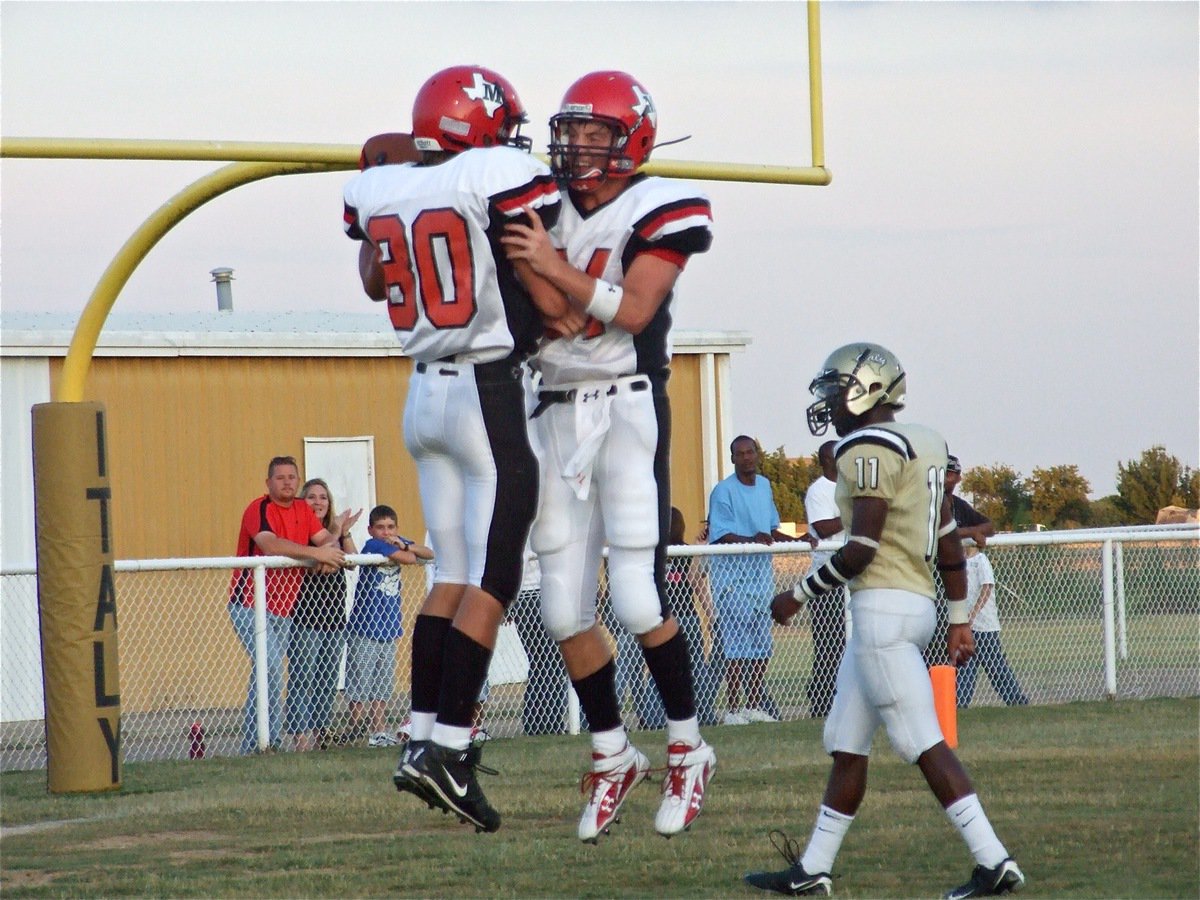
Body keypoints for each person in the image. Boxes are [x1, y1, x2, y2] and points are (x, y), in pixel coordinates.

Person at [343, 65, 570, 832]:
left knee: (450, 572)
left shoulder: (383, 190)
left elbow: (377, 283)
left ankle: (418, 738)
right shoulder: (498, 171)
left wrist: (388, 175)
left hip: (422, 394)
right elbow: (540, 254)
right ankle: (449, 747)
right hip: (488, 389)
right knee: (498, 576)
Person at [500, 69, 717, 841]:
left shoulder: (660, 207)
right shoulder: (537, 203)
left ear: (633, 140)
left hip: (626, 409)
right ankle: (612, 751)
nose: (579, 147)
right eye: (572, 132)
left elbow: (627, 311)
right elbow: (557, 322)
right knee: (559, 606)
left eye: (597, 134)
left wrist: (551, 269)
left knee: (637, 597)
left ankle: (689, 747)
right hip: (552, 411)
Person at [746, 342, 1025, 899]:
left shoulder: (865, 446)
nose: (828, 399)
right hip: (913, 605)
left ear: (864, 388)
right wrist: (956, 617)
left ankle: (993, 861)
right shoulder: (925, 440)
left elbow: (861, 550)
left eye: (834, 387)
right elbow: (947, 536)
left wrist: (796, 595)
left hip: (882, 610)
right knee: (845, 740)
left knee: (921, 741)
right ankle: (813, 868)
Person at [228, 456, 346, 754]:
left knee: (267, 673)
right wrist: (316, 554)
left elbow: (325, 542)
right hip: (249, 604)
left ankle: (259, 745)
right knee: (269, 669)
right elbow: (271, 544)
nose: (287, 482)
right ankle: (263, 744)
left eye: (292, 477)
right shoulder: (259, 508)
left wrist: (330, 551)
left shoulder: (303, 510)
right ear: (268, 483)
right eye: (280, 478)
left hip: (285, 610)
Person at [707, 435, 813, 725]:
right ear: (733, 459)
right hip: (731, 580)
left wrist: (797, 539)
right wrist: (751, 539)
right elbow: (721, 534)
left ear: (757, 454)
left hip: (760, 579)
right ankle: (732, 709)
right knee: (735, 645)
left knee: (761, 643)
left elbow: (770, 529)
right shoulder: (723, 492)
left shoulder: (765, 486)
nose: (746, 458)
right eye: (739, 454)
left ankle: (754, 704)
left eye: (750, 452)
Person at [342, 505, 432, 747]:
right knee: (361, 682)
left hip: (388, 627)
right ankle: (356, 729)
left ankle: (379, 730)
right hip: (365, 627)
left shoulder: (399, 542)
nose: (386, 532)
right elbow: (408, 558)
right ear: (371, 530)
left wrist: (407, 544)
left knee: (382, 684)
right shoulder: (374, 546)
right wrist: (405, 549)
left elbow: (427, 553)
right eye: (380, 528)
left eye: (390, 527)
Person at [288, 478, 361, 751]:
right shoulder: (302, 531)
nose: (318, 502)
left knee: (327, 679)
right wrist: (335, 530)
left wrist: (345, 532)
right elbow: (321, 561)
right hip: (305, 616)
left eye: (323, 498)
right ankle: (301, 737)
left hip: (333, 617)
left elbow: (351, 562)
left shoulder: (335, 531)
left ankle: (321, 732)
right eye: (311, 497)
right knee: (303, 677)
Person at [801, 440, 848, 717]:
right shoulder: (819, 491)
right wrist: (853, 515)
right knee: (829, 645)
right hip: (826, 579)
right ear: (826, 460)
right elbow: (822, 528)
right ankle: (821, 701)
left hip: (851, 578)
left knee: (848, 644)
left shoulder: (850, 487)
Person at [507, 543, 572, 735]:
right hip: (538, 593)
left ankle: (537, 721)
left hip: (524, 596)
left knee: (540, 663)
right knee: (550, 662)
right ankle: (548, 722)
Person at [667, 507, 721, 727]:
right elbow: (695, 581)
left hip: (665, 619)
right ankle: (705, 713)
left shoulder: (657, 553)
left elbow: (695, 580)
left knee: (665, 668)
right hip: (688, 616)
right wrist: (710, 614)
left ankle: (655, 716)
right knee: (697, 667)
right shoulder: (687, 552)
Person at [956, 546, 1028, 708]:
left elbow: (987, 587)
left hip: (984, 626)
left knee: (995, 665)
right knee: (966, 665)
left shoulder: (981, 560)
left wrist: (973, 614)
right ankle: (960, 702)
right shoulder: (962, 562)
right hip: (967, 628)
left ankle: (1016, 699)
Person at [946, 456, 995, 547]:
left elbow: (990, 527)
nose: (942, 479)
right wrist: (971, 533)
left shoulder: (959, 505)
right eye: (939, 474)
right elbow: (937, 533)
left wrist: (972, 532)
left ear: (958, 479)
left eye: (947, 474)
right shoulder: (925, 503)